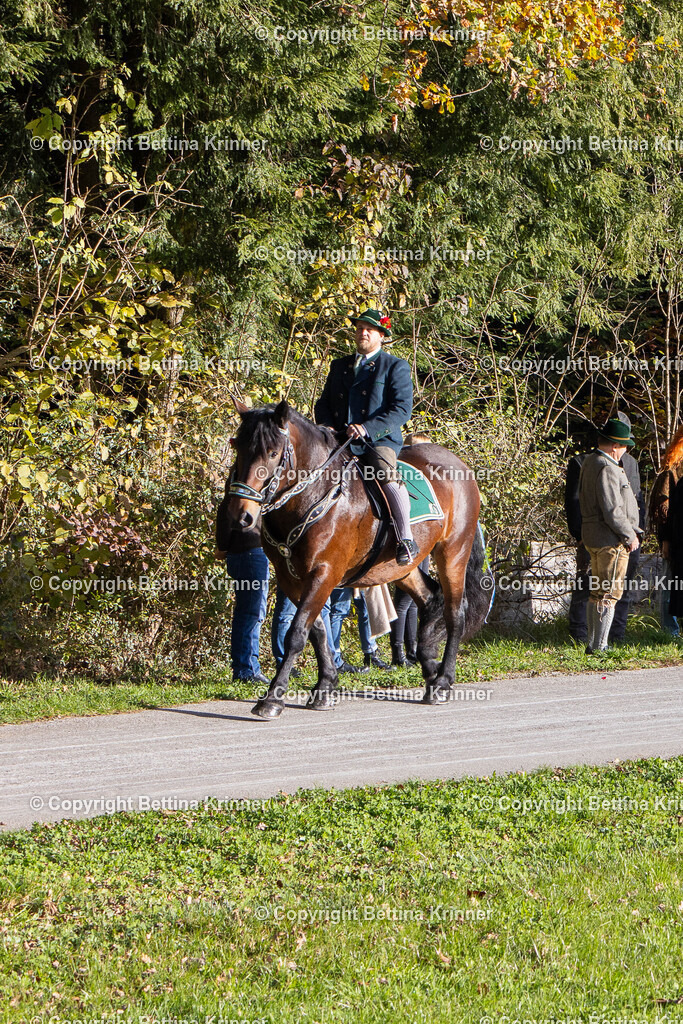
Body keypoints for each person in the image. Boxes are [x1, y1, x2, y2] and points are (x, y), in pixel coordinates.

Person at [314, 307, 418, 565]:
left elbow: (402, 410)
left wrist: (367, 428)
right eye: (360, 328)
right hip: (338, 440)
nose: (363, 333)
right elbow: (323, 403)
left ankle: (405, 539)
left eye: (369, 330)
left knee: (384, 471)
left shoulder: (394, 366)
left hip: (378, 441)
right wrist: (326, 425)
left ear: (381, 335)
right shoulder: (339, 366)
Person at [565, 412, 645, 643]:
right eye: (624, 446)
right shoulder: (608, 467)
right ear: (614, 446)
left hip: (594, 537)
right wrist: (629, 535)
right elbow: (612, 509)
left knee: (596, 593)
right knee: (609, 594)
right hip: (611, 539)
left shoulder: (589, 462)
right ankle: (599, 645)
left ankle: (593, 641)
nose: (625, 451)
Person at [216, 484, 269, 684]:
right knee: (252, 613)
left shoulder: (234, 493)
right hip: (252, 553)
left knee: (245, 613)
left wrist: (222, 546)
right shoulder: (250, 493)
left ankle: (244, 667)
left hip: (239, 554)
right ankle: (247, 670)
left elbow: (223, 514)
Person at [389, 431, 431, 665]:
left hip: (421, 543)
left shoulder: (421, 479)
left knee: (415, 598)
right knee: (404, 601)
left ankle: (411, 650)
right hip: (409, 543)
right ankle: (398, 654)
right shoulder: (406, 477)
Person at [649, 425, 683, 637]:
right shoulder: (672, 470)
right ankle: (669, 630)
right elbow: (663, 509)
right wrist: (665, 541)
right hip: (675, 536)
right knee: (670, 583)